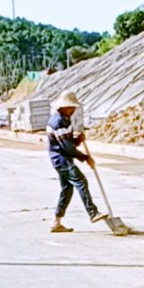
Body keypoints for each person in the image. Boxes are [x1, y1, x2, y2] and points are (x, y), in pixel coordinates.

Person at [46, 91, 101, 233]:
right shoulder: (58, 122)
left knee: (67, 189)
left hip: (63, 158)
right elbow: (67, 147)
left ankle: (56, 223)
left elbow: (68, 143)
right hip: (61, 159)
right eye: (72, 107)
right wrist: (85, 158)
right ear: (64, 107)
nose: (74, 110)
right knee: (81, 181)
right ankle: (93, 213)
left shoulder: (64, 119)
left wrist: (78, 140)